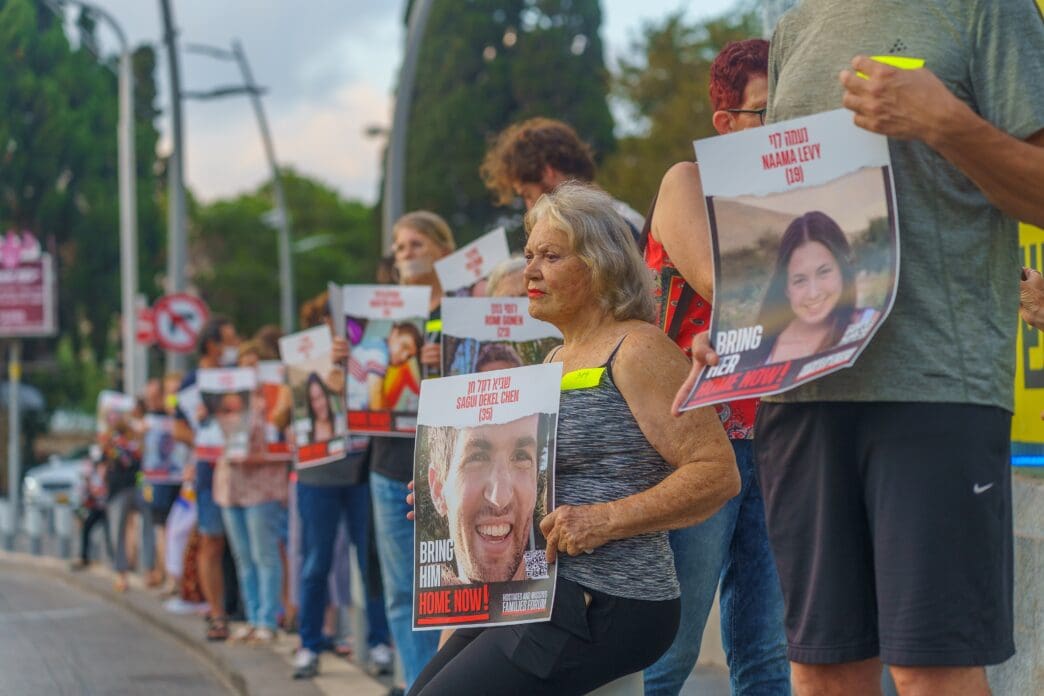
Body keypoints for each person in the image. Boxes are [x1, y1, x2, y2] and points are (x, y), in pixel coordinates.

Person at [676, 4, 1044, 695]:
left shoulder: (985, 8)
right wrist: (741, 331)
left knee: (929, 670)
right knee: (820, 672)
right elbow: (795, 213)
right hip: (800, 391)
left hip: (935, 383)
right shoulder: (795, 27)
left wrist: (944, 122)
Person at [408, 182, 739, 696]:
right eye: (529, 255)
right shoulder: (552, 362)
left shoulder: (638, 349)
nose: (531, 271)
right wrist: (445, 502)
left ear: (600, 264)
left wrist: (605, 520)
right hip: (536, 590)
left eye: (551, 256)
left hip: (612, 598)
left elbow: (717, 473)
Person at [642, 38, 789, 696]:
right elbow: (723, 282)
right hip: (697, 444)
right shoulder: (686, 182)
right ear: (725, 123)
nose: (786, 123)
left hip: (783, 434)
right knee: (667, 655)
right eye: (769, 110)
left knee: (770, 655)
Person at [369, 210, 455, 693]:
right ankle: (418, 685)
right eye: (399, 247)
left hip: (446, 460)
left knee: (449, 584)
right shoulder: (381, 318)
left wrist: (451, 356)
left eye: (416, 244)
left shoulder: (468, 308)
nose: (405, 254)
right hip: (388, 463)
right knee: (403, 591)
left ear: (443, 250)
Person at [292, 294, 393, 681]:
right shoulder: (302, 363)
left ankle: (380, 641)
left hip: (362, 471)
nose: (337, 325)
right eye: (328, 318)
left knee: (370, 561)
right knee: (316, 561)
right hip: (317, 477)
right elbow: (285, 413)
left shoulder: (366, 356)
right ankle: (309, 643)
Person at [211, 341, 289, 645]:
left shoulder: (275, 398)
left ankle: (268, 620)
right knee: (244, 556)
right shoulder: (228, 401)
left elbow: (283, 442)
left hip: (262, 486)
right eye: (245, 365)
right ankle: (254, 617)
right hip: (231, 486)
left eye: (256, 365)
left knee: (264, 554)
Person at [178, 315, 240, 641]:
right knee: (212, 540)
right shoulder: (192, 381)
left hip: (242, 467)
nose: (236, 347)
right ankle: (217, 613)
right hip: (209, 469)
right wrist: (202, 437)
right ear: (213, 345)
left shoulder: (239, 376)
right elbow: (179, 426)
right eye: (230, 341)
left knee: (244, 543)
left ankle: (244, 610)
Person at [480, 117, 645, 237]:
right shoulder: (630, 222)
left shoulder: (612, 232)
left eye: (527, 195)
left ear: (547, 173)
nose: (529, 208)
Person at [425, 415, 540, 584]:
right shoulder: (428, 592)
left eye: (520, 456)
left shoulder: (559, 580)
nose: (500, 499)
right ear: (438, 489)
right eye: (477, 457)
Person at [756, 211, 871, 364]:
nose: (813, 293)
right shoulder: (763, 349)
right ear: (786, 288)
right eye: (799, 280)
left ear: (843, 271)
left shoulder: (870, 323)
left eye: (823, 272)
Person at [305, 372, 337, 443]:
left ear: (326, 395)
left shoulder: (339, 422)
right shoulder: (308, 432)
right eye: (314, 399)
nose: (319, 404)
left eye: (321, 396)